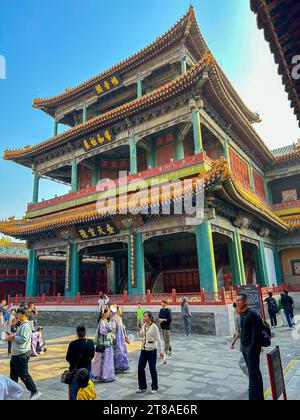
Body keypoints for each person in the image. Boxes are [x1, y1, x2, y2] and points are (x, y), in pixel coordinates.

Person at [6, 307, 41, 400]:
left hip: (21, 354)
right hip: (16, 354)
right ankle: (13, 393)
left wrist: (13, 338)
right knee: (13, 375)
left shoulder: (25, 325)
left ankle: (34, 391)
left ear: (23, 315)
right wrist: (12, 335)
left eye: (18, 314)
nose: (16, 316)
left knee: (23, 374)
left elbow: (23, 338)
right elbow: (20, 336)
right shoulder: (21, 325)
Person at [236, 294, 264, 401]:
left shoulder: (252, 314)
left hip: (251, 349)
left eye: (239, 300)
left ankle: (253, 397)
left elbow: (256, 334)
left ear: (245, 301)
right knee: (255, 373)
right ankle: (259, 396)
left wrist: (253, 348)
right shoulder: (242, 314)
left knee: (252, 375)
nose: (237, 302)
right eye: (237, 301)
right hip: (245, 348)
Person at [137, 311, 164, 395]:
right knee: (140, 368)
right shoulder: (144, 325)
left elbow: (159, 340)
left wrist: (161, 351)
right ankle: (142, 387)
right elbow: (141, 335)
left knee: (152, 369)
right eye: (144, 317)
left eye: (146, 316)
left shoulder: (154, 327)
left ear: (150, 317)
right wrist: (138, 330)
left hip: (152, 350)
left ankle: (154, 387)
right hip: (144, 349)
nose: (144, 318)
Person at [66, 325, 95, 401]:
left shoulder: (72, 344)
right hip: (87, 372)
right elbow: (92, 355)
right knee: (87, 394)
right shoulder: (90, 342)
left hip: (75, 372)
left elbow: (68, 358)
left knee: (73, 395)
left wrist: (74, 363)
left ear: (77, 333)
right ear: (85, 333)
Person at [92, 307, 116, 383]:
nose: (109, 314)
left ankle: (108, 375)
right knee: (104, 360)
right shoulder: (102, 322)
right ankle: (104, 376)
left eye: (109, 312)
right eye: (107, 312)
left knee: (108, 360)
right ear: (104, 314)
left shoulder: (106, 321)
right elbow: (104, 331)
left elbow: (112, 329)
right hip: (104, 344)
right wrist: (111, 324)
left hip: (108, 343)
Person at [230, 303, 248, 377]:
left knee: (242, 362)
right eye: (236, 309)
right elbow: (238, 331)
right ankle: (252, 380)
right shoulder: (238, 316)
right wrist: (233, 342)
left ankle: (253, 380)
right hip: (244, 343)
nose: (236, 310)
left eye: (237, 308)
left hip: (250, 343)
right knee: (244, 363)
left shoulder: (248, 315)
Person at [112, 306, 130, 373]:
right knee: (117, 352)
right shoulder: (114, 319)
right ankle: (116, 367)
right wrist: (113, 338)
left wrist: (125, 336)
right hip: (117, 338)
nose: (121, 310)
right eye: (120, 309)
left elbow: (123, 328)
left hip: (121, 337)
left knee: (122, 352)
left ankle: (122, 366)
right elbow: (113, 329)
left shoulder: (120, 318)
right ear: (116, 310)